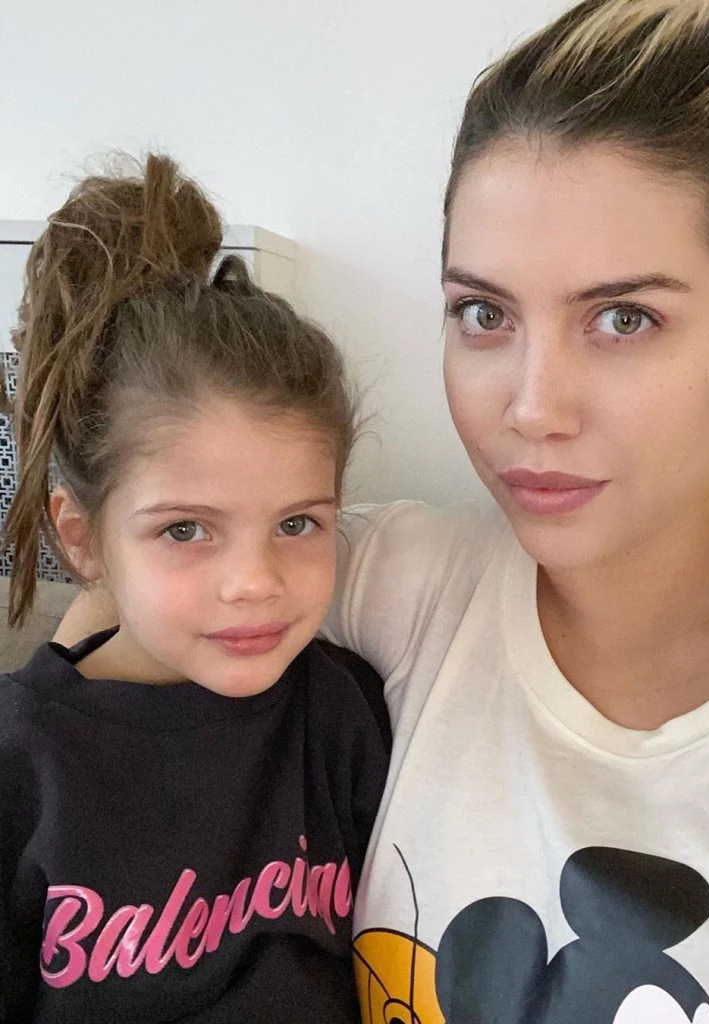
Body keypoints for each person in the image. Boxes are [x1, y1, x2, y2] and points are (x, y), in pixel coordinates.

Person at [57, 0, 709, 1019]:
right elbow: (118, 613)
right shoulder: (396, 582)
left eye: (624, 318)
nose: (533, 408)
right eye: (483, 313)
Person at [0, 155, 390, 1023]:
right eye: (185, 530)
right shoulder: (24, 761)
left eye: (297, 523)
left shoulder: (345, 715)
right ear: (84, 540)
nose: (254, 584)